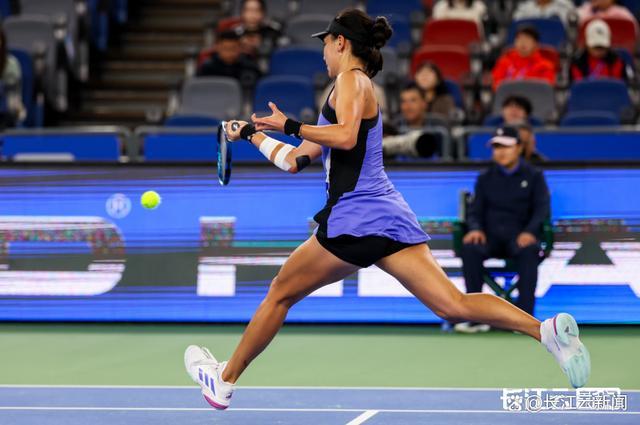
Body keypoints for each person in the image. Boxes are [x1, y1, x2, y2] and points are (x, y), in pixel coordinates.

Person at [183, 9, 591, 410]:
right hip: (388, 218)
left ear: (340, 43)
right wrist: (253, 134)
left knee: (279, 295)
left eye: (325, 44)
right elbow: (295, 161)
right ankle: (545, 331)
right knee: (452, 304)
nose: (323, 53)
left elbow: (343, 137)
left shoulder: (351, 81)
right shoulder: (342, 92)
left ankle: (224, 381)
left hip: (354, 218)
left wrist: (290, 124)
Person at [456, 126, 550, 333]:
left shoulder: (534, 176)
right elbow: (475, 210)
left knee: (530, 251)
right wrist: (475, 228)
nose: (501, 151)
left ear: (518, 148)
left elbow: (541, 209)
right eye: (496, 146)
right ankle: (476, 317)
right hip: (490, 238)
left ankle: (524, 320)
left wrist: (530, 232)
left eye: (506, 146)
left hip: (519, 238)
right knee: (470, 248)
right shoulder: (485, 178)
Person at [491, 25, 556, 90]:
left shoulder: (545, 67)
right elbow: (496, 86)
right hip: (507, 98)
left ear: (536, 44)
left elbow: (546, 91)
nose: (523, 42)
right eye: (519, 38)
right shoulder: (504, 62)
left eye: (527, 39)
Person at [197, 28, 261, 84]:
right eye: (225, 48)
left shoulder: (249, 66)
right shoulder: (207, 68)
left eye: (233, 48)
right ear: (217, 48)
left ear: (240, 48)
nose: (229, 53)